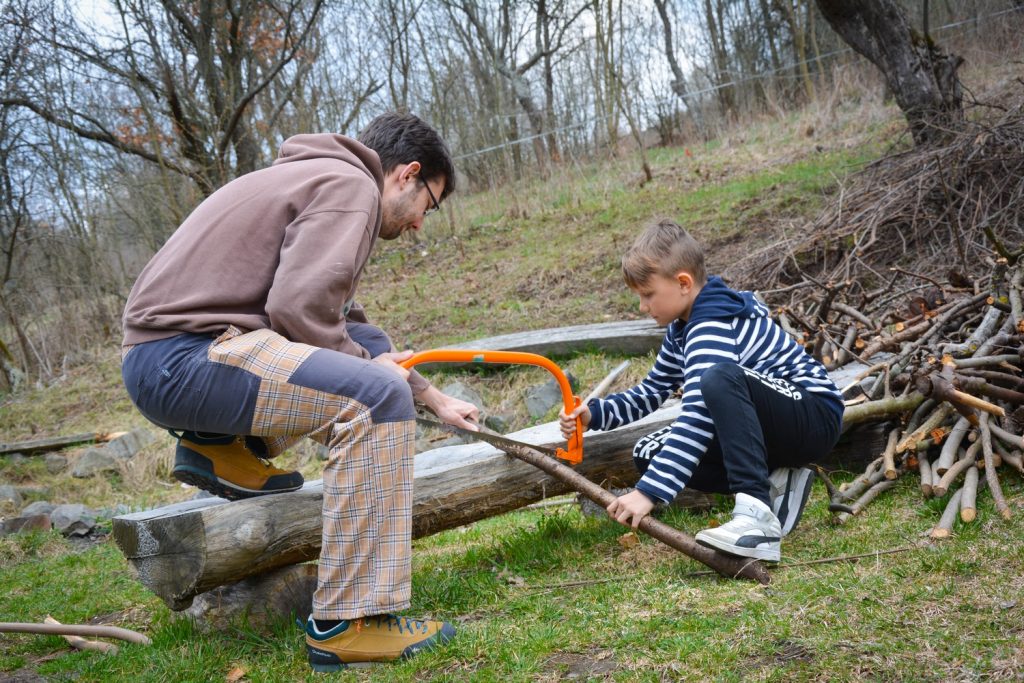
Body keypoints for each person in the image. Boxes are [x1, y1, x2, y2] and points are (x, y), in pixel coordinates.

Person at [120, 113, 480, 671]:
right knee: (375, 399)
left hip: (169, 359)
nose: (418, 227)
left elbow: (347, 324)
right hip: (188, 357)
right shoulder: (350, 188)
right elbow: (297, 310)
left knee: (369, 359)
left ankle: (217, 445)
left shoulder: (315, 177)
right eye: (429, 206)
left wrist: (432, 396)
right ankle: (346, 622)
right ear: (407, 175)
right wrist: (386, 381)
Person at [560, 220, 843, 562]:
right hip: (775, 427)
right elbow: (651, 391)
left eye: (648, 294)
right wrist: (594, 414)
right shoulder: (683, 330)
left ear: (683, 283)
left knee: (718, 379)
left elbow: (697, 413)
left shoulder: (712, 324)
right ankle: (776, 478)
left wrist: (648, 493)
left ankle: (757, 520)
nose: (642, 307)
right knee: (648, 452)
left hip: (812, 413)